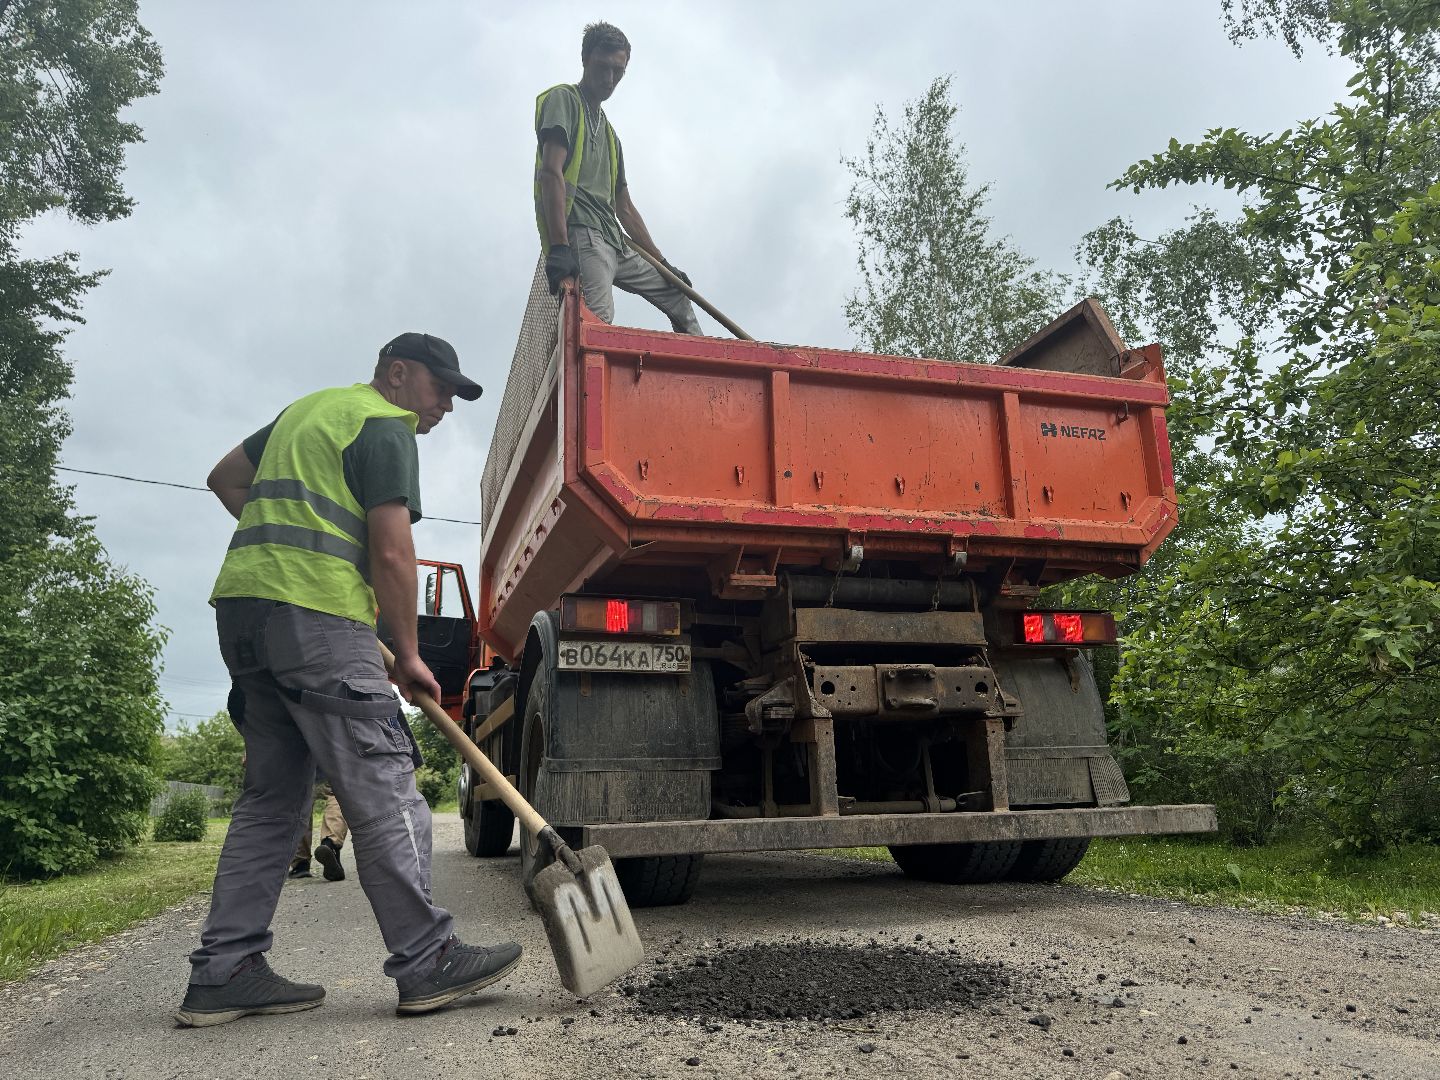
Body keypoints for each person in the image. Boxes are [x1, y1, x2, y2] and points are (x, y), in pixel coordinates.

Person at [176, 333, 521, 1027]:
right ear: (398, 374)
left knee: (271, 799)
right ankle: (428, 959)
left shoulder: (308, 413)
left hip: (245, 614)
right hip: (316, 617)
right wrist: (409, 650)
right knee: (386, 780)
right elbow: (394, 552)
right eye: (440, 387)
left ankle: (225, 971)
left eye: (455, 395)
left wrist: (296, 546)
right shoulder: (383, 426)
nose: (446, 405)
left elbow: (225, 480)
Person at [535, 21, 702, 334]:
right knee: (597, 322)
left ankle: (704, 374)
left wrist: (662, 264)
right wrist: (560, 246)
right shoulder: (564, 100)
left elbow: (624, 207)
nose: (609, 79)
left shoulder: (611, 136)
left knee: (678, 293)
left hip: (616, 240)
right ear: (585, 59)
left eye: (618, 72)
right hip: (585, 234)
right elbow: (550, 172)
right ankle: (588, 380)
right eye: (602, 67)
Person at [287, 779, 349, 882]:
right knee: (337, 793)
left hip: (297, 765)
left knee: (300, 796)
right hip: (330, 765)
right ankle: (330, 844)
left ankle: (300, 864)